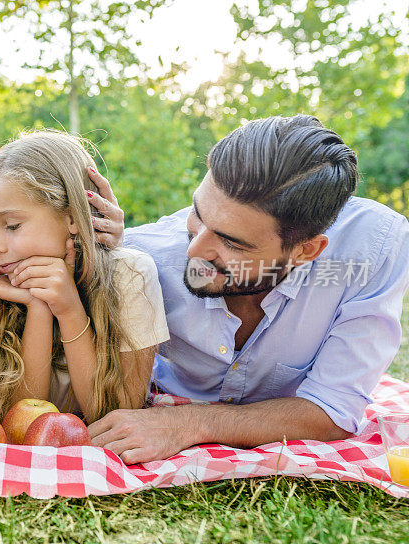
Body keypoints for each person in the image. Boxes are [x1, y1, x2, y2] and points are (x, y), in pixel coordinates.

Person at [85, 115, 409, 464]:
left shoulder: (373, 248)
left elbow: (332, 409)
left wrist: (187, 423)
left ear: (306, 251)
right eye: (197, 213)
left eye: (231, 242)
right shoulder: (143, 257)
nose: (195, 251)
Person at [0, 130, 170, 425]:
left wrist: (69, 310)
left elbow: (113, 413)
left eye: (12, 225)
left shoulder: (130, 274)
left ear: (72, 219)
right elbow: (24, 417)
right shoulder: (5, 288)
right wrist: (38, 307)